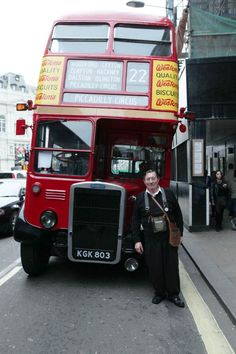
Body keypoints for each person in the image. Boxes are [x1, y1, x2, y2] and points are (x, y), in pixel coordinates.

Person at [132, 170, 185, 307]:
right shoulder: (140, 198)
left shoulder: (168, 194)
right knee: (155, 267)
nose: (151, 181)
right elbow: (135, 221)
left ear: (158, 179)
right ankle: (159, 293)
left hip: (169, 239)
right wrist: (137, 240)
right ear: (144, 182)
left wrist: (181, 234)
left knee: (171, 267)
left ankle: (174, 294)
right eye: (148, 179)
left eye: (153, 178)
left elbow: (178, 215)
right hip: (151, 240)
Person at [225, 164, 236, 230]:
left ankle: (230, 213)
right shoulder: (234, 171)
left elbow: (225, 180)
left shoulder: (227, 172)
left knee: (232, 204)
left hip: (232, 193)